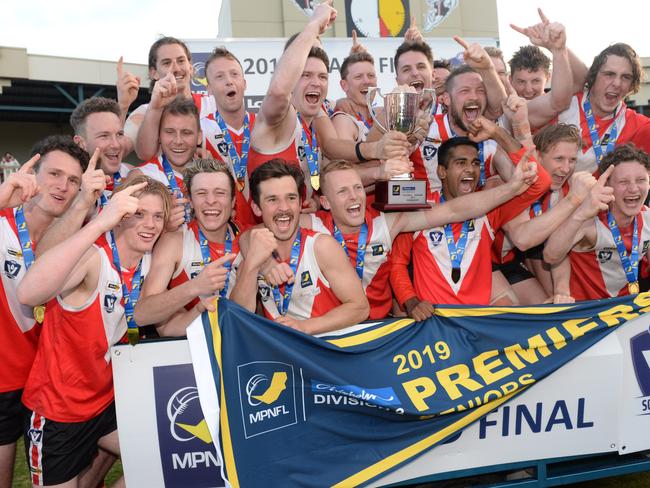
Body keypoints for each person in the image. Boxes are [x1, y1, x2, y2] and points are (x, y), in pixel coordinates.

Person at [17, 174, 171, 487]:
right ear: (120, 214)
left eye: (158, 216)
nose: (151, 224)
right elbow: (27, 294)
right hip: (58, 412)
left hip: (104, 405)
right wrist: (100, 222)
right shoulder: (94, 257)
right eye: (139, 213)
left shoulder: (148, 263)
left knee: (172, 457)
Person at [302, 157, 540, 319]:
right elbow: (272, 222)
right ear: (325, 202)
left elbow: (454, 210)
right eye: (342, 192)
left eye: (357, 188)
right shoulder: (311, 226)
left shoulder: (386, 223)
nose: (354, 197)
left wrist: (512, 187)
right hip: (336, 326)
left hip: (378, 326)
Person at [249, 0, 410, 208]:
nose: (316, 82)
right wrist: (314, 23)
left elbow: (331, 167)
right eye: (305, 75)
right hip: (263, 234)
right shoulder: (281, 115)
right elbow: (279, 91)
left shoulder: (319, 115)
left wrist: (315, 202)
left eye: (322, 76)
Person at [0, 137, 86, 488]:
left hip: (50, 388)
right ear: (33, 173)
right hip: (4, 381)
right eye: (54, 174)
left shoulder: (78, 238)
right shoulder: (3, 217)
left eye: (73, 180)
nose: (62, 186)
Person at [389, 136, 551, 318]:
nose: (470, 169)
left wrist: (496, 132)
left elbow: (542, 182)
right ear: (442, 171)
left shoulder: (491, 208)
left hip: (477, 320)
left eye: (475, 163)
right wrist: (410, 301)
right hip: (435, 322)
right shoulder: (420, 205)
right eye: (461, 163)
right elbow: (397, 263)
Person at [230, 159, 369, 333]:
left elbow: (360, 307)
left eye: (291, 198)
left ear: (300, 202)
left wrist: (303, 327)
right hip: (281, 354)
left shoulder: (322, 246)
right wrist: (254, 263)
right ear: (257, 208)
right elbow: (237, 318)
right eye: (272, 200)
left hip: (324, 351)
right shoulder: (252, 252)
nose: (284, 208)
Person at [492, 124, 597, 303]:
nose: (566, 168)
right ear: (538, 157)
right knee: (512, 313)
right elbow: (523, 240)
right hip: (483, 262)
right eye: (559, 159)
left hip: (512, 261)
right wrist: (573, 200)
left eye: (572, 160)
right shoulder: (511, 181)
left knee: (549, 309)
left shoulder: (563, 190)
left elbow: (559, 246)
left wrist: (561, 290)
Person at [134, 159, 238, 335]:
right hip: (189, 351)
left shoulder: (248, 240)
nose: (210, 201)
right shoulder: (174, 243)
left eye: (220, 193)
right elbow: (141, 313)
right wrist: (195, 286)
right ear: (189, 200)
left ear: (233, 200)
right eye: (201, 193)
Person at [544, 144, 646, 301]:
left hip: (626, 312)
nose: (633, 189)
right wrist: (580, 214)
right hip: (585, 315)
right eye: (623, 182)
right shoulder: (590, 220)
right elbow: (550, 256)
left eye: (641, 180)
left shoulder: (647, 219)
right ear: (606, 185)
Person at [123, 37, 215, 160]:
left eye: (181, 61)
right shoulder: (144, 113)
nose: (176, 69)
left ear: (191, 67)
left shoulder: (213, 105)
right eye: (167, 63)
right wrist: (123, 106)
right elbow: (140, 153)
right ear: (153, 72)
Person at [200, 47, 258, 227]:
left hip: (265, 229)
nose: (229, 81)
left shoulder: (263, 126)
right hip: (225, 232)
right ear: (209, 89)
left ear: (245, 83)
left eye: (234, 74)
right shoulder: (200, 130)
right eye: (220, 77)